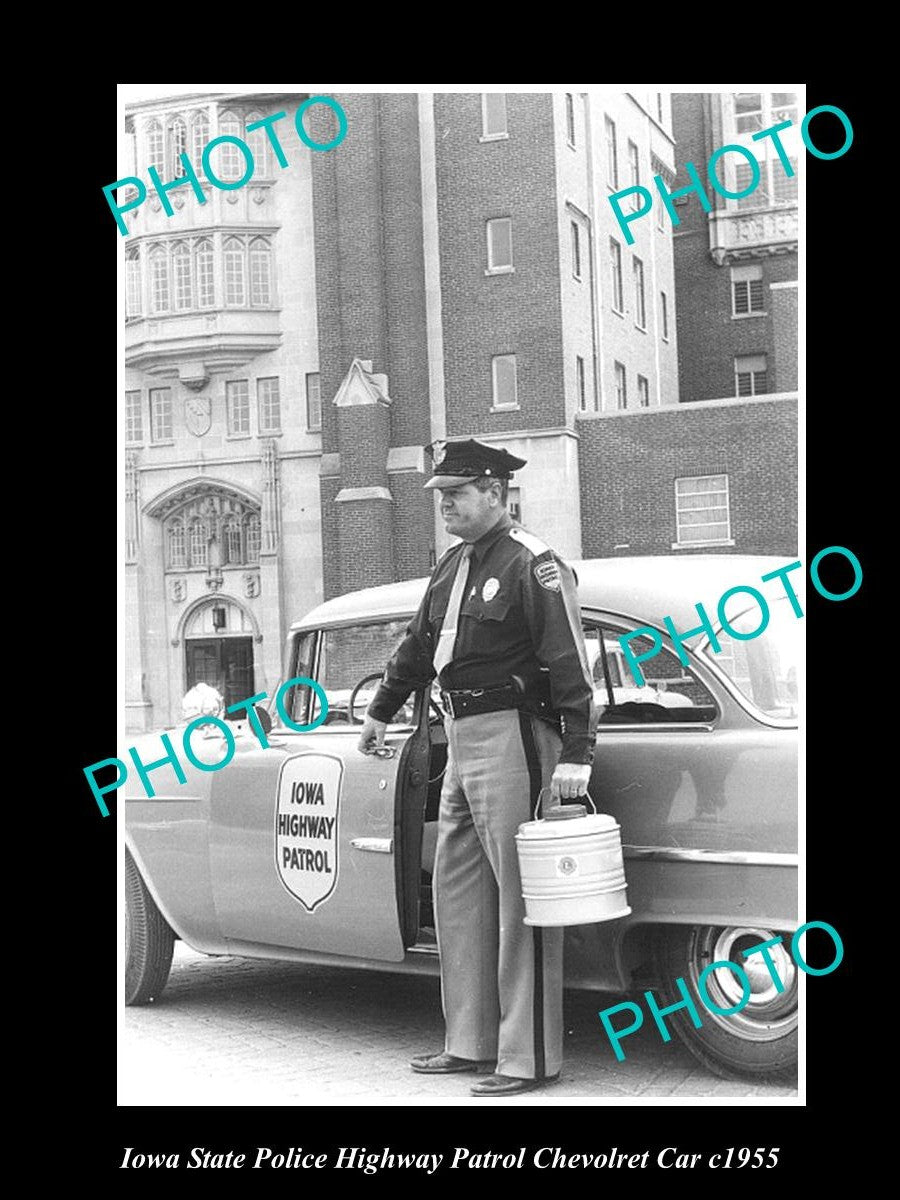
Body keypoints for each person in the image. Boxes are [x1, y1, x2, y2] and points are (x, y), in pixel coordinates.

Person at [357, 438, 596, 1096]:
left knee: (522, 901)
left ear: (496, 492)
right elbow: (416, 646)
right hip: (459, 737)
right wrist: (380, 711)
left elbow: (570, 664)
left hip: (515, 736)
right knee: (457, 897)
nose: (446, 507)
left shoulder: (534, 563)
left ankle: (531, 1058)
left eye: (457, 495)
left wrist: (577, 753)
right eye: (440, 497)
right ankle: (470, 1042)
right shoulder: (452, 567)